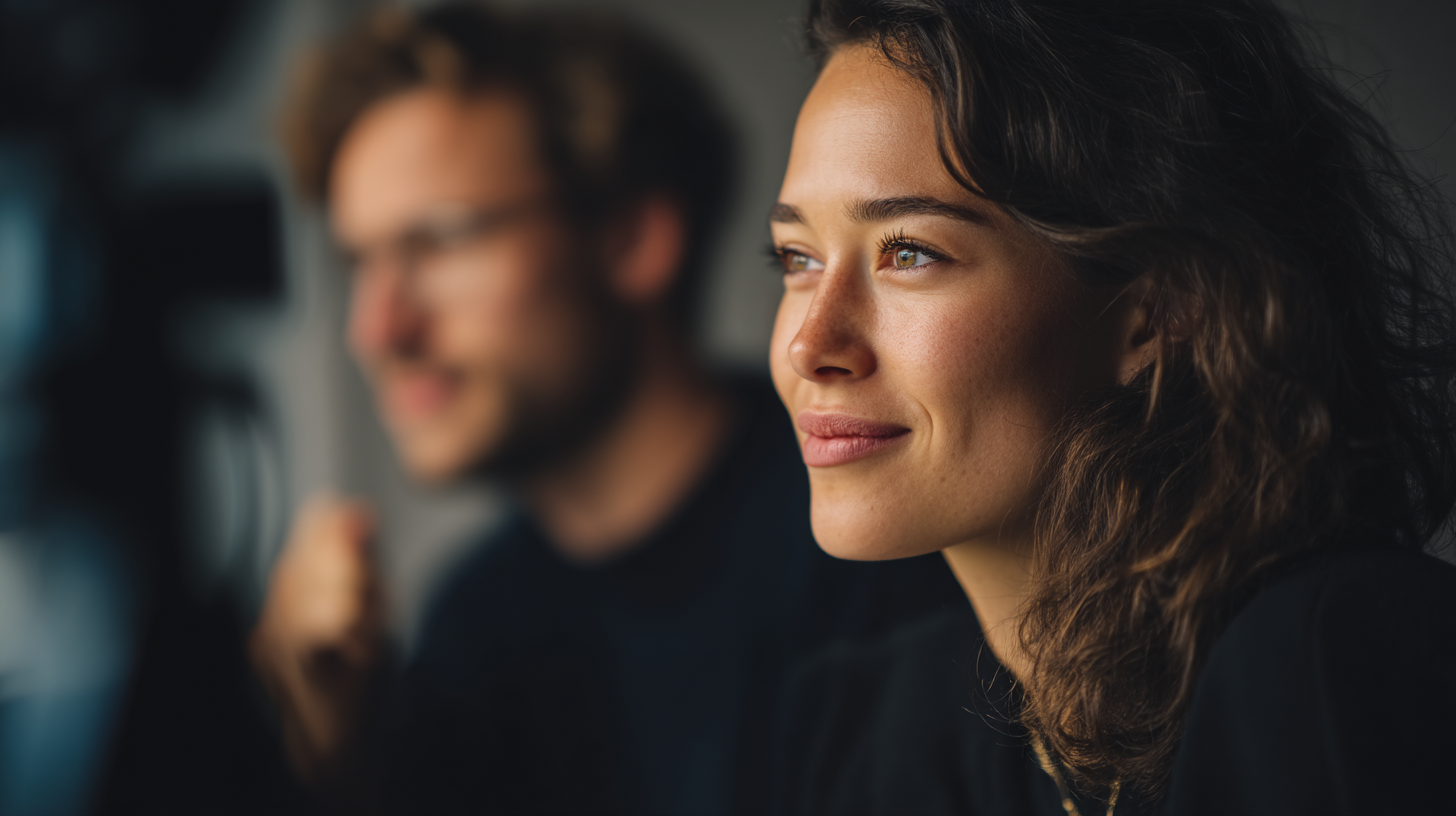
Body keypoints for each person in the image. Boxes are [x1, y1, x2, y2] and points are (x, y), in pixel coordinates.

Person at [246, 4, 965, 815]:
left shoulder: (885, 553)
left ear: (632, 239)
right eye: (359, 263)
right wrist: (336, 762)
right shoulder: (471, 630)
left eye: (440, 243)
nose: (377, 329)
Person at [764, 0, 1456, 813]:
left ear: (1160, 307)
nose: (812, 346)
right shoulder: (858, 734)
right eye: (797, 257)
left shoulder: (1337, 665)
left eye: (909, 253)